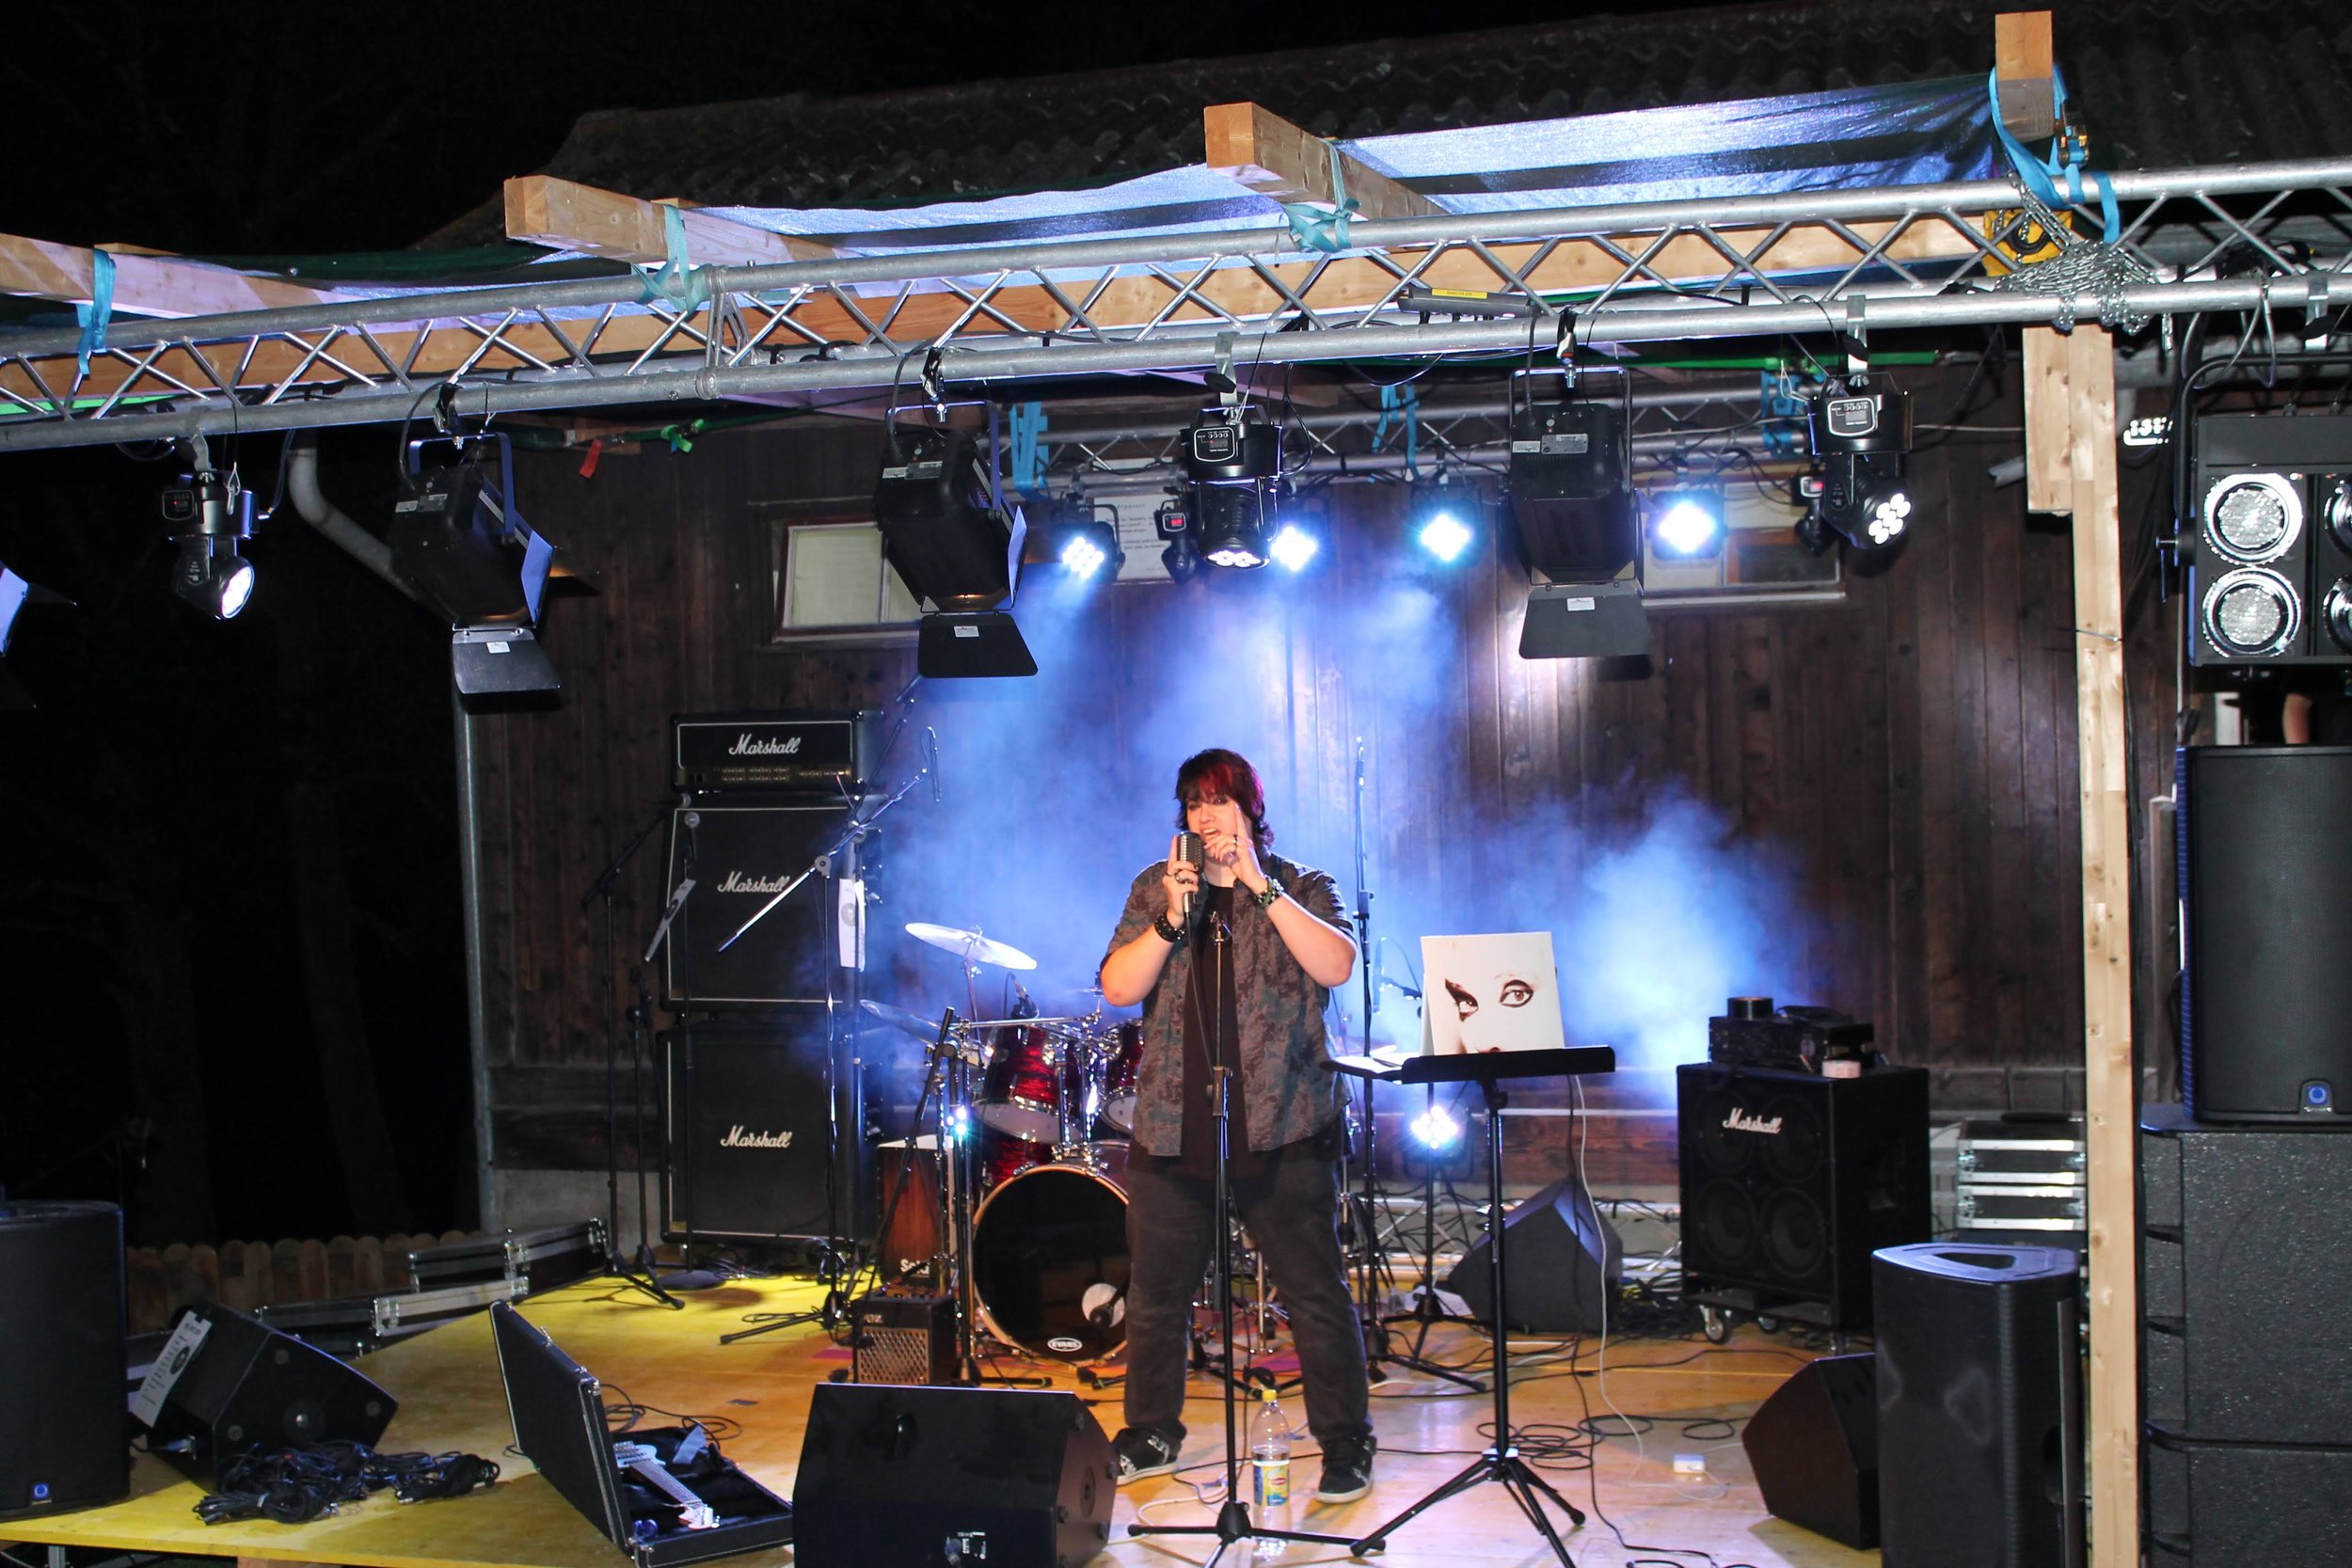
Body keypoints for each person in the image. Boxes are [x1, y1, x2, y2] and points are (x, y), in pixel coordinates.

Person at [1096, 747, 1376, 1505]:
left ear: (1250, 810)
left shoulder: (1302, 883)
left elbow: (1337, 965)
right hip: (1173, 1123)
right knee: (1156, 1293)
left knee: (1314, 1290)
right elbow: (1119, 985)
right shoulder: (1157, 889)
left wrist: (1258, 884)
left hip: (1282, 1122)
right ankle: (1151, 1431)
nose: (1206, 816)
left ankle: (1346, 1441)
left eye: (1219, 801)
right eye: (1193, 803)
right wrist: (1169, 919)